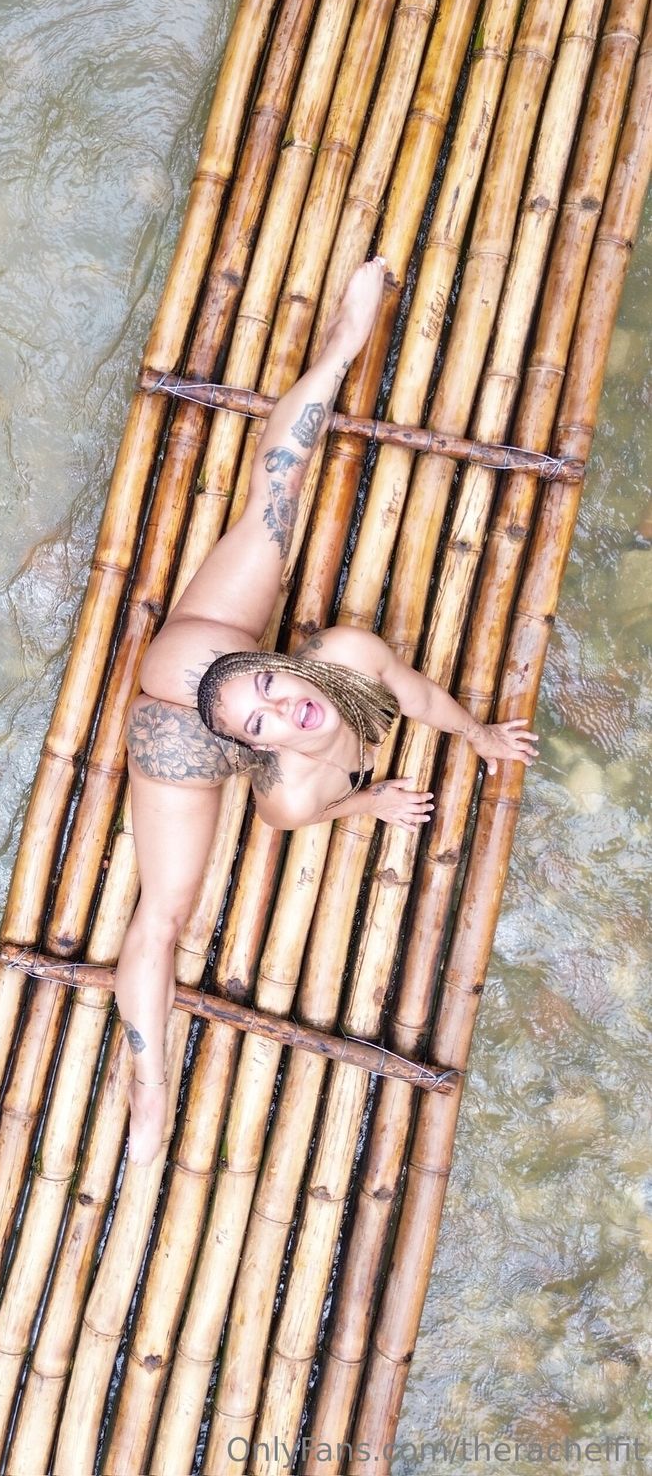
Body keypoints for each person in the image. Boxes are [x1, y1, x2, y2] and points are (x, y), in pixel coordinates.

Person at [118, 260, 538, 1164]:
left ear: (281, 660)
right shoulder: (283, 792)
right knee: (165, 916)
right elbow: (310, 805)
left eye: (276, 688)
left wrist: (477, 734)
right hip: (177, 722)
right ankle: (146, 1085)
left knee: (278, 489)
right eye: (261, 723)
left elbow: (412, 693)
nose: (287, 710)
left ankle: (341, 342)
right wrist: (369, 801)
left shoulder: (338, 656)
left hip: (208, 652)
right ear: (250, 749)